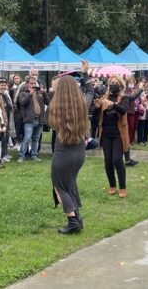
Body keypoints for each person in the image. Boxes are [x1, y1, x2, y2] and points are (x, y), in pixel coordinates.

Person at [47, 75, 89, 234]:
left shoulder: (55, 107)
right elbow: (90, 91)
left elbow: (50, 124)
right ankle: (76, 216)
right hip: (79, 152)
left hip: (63, 153)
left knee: (60, 187)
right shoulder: (82, 105)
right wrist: (85, 75)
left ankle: (72, 222)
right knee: (70, 184)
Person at [94, 75, 130, 197]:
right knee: (108, 161)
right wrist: (97, 107)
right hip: (106, 134)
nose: (113, 85)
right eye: (111, 82)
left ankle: (123, 187)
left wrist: (113, 104)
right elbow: (96, 116)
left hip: (118, 134)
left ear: (121, 85)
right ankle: (112, 185)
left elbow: (123, 110)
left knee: (117, 160)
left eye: (116, 83)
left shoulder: (124, 98)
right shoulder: (104, 97)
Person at [16, 76, 48, 163]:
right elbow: (22, 103)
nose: (33, 85)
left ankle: (34, 155)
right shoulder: (23, 93)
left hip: (39, 119)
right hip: (29, 120)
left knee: (36, 139)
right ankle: (21, 156)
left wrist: (44, 93)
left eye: (34, 83)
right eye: (31, 83)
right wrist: (30, 94)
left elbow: (48, 102)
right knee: (27, 138)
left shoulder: (39, 93)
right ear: (27, 84)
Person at [0, 79, 14, 162]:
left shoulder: (6, 93)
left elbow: (10, 104)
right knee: (2, 137)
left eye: (4, 85)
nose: (3, 87)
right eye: (1, 85)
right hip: (0, 118)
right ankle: (1, 155)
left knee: (7, 136)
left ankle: (5, 153)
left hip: (8, 116)